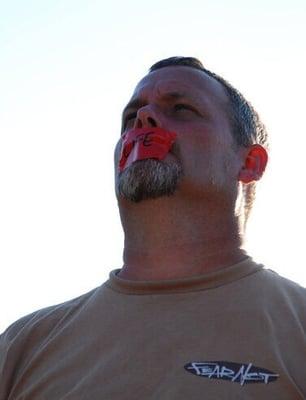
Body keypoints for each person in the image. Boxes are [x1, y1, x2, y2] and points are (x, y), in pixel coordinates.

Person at [0, 56, 305, 399]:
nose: (143, 121)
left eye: (181, 109)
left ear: (250, 163)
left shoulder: (298, 327)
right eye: (131, 117)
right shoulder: (20, 348)